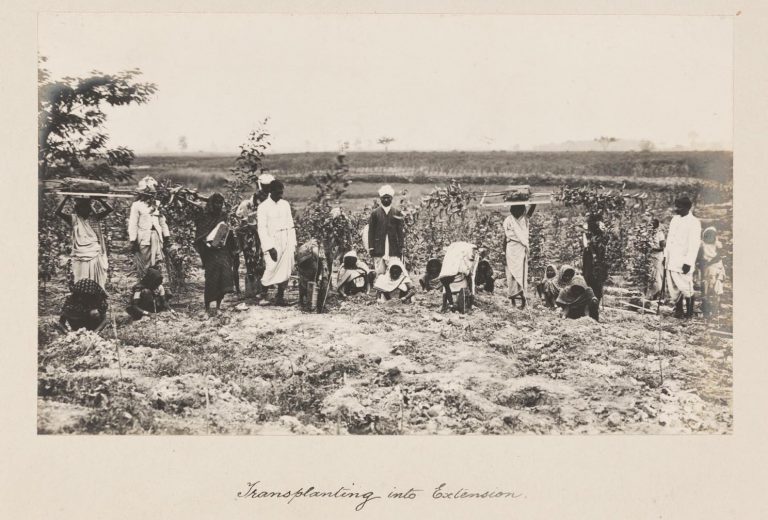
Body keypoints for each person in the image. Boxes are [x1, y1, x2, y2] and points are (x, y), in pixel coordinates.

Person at [55, 195, 112, 288]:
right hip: (80, 252)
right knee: (81, 274)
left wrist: (99, 199)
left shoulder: (94, 218)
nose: (84, 210)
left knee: (95, 274)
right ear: (77, 210)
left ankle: (96, 291)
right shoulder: (73, 219)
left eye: (86, 208)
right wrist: (66, 198)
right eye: (82, 208)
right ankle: (82, 292)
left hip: (94, 250)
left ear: (90, 209)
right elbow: (58, 212)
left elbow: (110, 210)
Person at [194, 192, 236, 314]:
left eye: (220, 203)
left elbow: (225, 231)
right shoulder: (204, 216)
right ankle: (207, 307)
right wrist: (207, 245)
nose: (218, 205)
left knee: (223, 276)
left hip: (222, 251)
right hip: (209, 252)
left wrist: (227, 240)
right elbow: (200, 235)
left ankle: (218, 306)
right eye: (216, 203)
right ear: (211, 203)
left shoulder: (223, 215)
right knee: (211, 278)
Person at [257, 180, 297, 305]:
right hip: (272, 240)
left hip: (286, 238)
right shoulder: (263, 207)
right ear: (270, 191)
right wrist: (269, 247)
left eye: (282, 192)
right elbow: (262, 229)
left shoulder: (285, 204)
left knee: (286, 268)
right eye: (278, 192)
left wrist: (293, 243)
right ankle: (263, 295)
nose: (281, 195)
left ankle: (280, 297)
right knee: (271, 267)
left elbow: (291, 224)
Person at [234, 173, 274, 295]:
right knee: (251, 261)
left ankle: (263, 288)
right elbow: (240, 221)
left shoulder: (272, 202)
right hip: (251, 237)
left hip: (265, 237)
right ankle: (253, 288)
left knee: (266, 260)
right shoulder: (248, 204)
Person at [664, 195, 702, 318]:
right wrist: (666, 255)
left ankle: (689, 313)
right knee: (674, 288)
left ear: (687, 208)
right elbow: (669, 239)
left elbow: (694, 245)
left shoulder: (694, 222)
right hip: (671, 260)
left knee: (686, 287)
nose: (676, 209)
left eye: (679, 207)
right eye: (676, 206)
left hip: (683, 262)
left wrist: (689, 262)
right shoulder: (674, 219)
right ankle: (679, 311)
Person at [128, 176, 171, 280]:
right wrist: (133, 241)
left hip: (156, 237)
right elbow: (133, 224)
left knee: (157, 262)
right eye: (149, 193)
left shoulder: (157, 204)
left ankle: (156, 287)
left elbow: (162, 221)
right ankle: (143, 287)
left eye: (153, 193)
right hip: (144, 238)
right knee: (144, 264)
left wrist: (166, 236)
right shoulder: (137, 205)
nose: (151, 196)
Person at [368, 185, 405, 276]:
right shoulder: (375, 213)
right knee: (380, 269)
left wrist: (401, 246)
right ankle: (380, 286)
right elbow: (371, 231)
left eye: (388, 198)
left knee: (394, 267)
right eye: (384, 198)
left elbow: (400, 231)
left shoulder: (396, 212)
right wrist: (371, 247)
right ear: (380, 199)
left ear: (391, 199)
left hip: (393, 245)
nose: (386, 200)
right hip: (379, 245)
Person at [503, 203, 536, 308]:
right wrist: (504, 253)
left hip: (521, 249)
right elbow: (505, 237)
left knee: (521, 275)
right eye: (515, 209)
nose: (517, 212)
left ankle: (523, 301)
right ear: (511, 210)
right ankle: (512, 300)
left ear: (522, 210)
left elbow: (530, 212)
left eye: (519, 210)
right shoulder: (508, 220)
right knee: (511, 275)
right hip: (511, 249)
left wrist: (533, 202)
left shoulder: (524, 219)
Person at [437, 241, 478, 312]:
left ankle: (449, 305)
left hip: (450, 274)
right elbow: (469, 273)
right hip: (453, 274)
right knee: (448, 288)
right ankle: (452, 305)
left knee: (447, 289)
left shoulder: (454, 256)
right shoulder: (446, 274)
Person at [696, 226, 726, 320]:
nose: (709, 237)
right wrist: (700, 264)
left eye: (711, 235)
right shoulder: (702, 245)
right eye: (707, 235)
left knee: (715, 289)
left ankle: (715, 310)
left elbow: (719, 256)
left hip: (716, 267)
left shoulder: (717, 245)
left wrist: (709, 262)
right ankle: (706, 310)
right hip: (706, 269)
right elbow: (699, 257)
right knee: (705, 289)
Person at [581, 212, 609, 301]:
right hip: (589, 254)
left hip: (598, 254)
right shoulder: (587, 230)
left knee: (597, 276)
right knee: (588, 275)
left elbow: (604, 238)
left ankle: (596, 296)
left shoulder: (600, 229)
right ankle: (589, 296)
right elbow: (586, 244)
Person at [296, 238, 329, 309]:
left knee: (304, 281)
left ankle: (303, 301)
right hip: (309, 263)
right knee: (311, 281)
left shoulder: (306, 245)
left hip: (302, 263)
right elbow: (316, 254)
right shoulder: (316, 245)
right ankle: (310, 301)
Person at [645, 218, 666, 300]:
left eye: (652, 224)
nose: (651, 225)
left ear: (657, 225)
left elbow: (663, 247)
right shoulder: (648, 233)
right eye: (650, 224)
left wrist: (653, 249)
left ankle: (657, 293)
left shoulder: (660, 234)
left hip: (657, 257)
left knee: (656, 275)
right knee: (650, 275)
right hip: (650, 257)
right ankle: (651, 294)